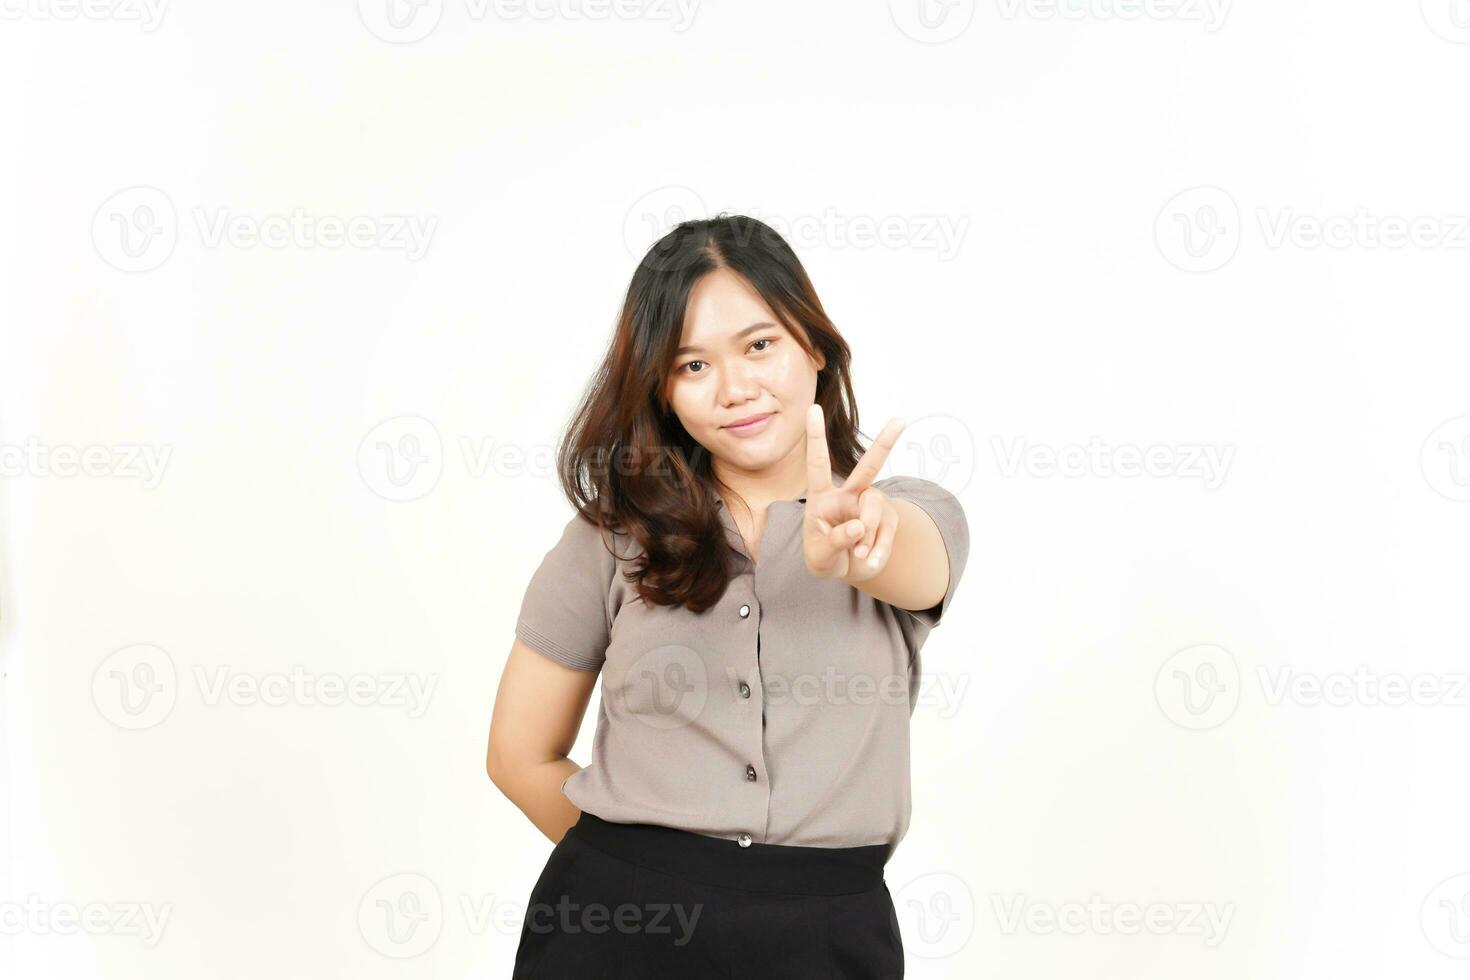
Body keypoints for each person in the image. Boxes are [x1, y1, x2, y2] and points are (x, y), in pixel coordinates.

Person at [485, 213, 969, 978]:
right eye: (692, 365)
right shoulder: (609, 539)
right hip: (610, 930)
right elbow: (517, 756)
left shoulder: (914, 513)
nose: (736, 389)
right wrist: (640, 879)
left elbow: (911, 562)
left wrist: (861, 541)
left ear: (813, 343)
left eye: (759, 345)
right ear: (663, 389)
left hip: (827, 933)